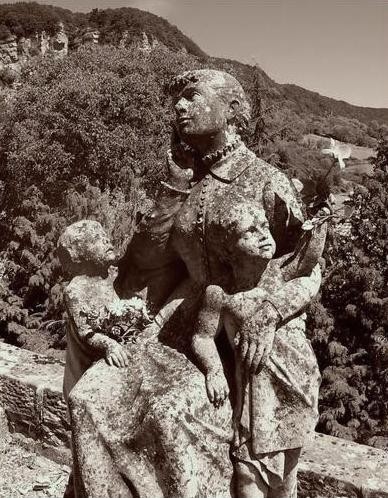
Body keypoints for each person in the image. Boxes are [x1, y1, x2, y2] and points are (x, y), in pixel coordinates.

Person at [67, 69, 324, 498]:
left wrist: (272, 311)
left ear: (233, 111)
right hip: (187, 322)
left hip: (238, 335)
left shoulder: (267, 183)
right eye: (177, 100)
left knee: (168, 415)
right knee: (90, 397)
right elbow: (147, 261)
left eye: (193, 96)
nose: (179, 107)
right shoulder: (186, 179)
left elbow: (306, 267)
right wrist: (173, 188)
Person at [57, 220, 131, 403]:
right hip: (86, 364)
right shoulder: (75, 290)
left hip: (118, 356)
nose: (106, 241)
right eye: (96, 239)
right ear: (78, 255)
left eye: (105, 236)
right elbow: (87, 333)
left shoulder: (114, 275)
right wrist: (110, 345)